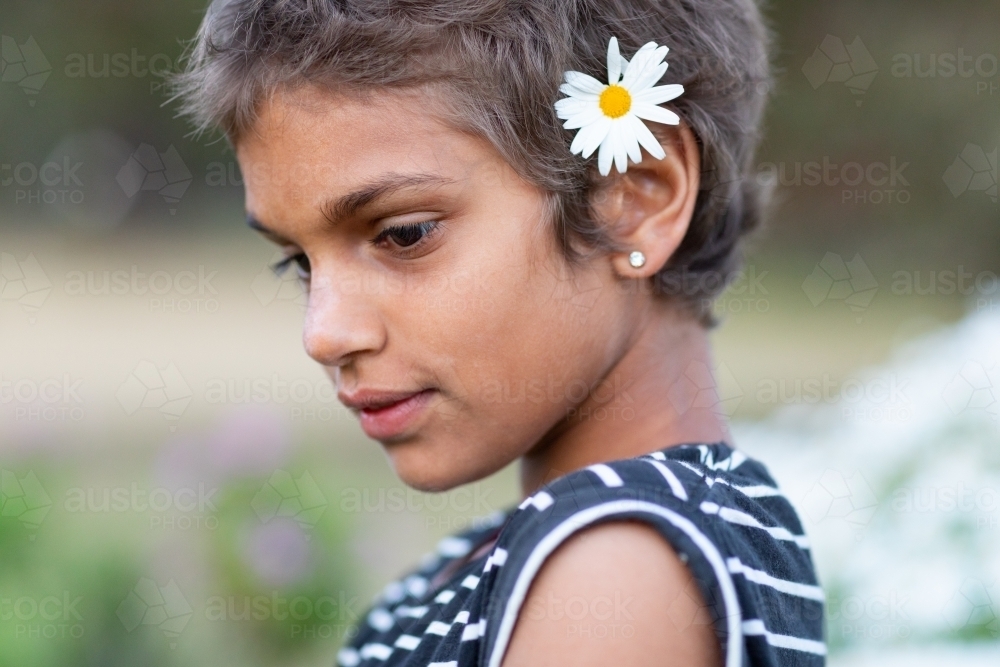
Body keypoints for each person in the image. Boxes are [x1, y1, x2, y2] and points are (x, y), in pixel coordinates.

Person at [172, 1, 825, 665]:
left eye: (404, 233)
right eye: (300, 262)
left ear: (636, 196)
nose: (326, 333)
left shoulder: (617, 571)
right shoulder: (555, 554)